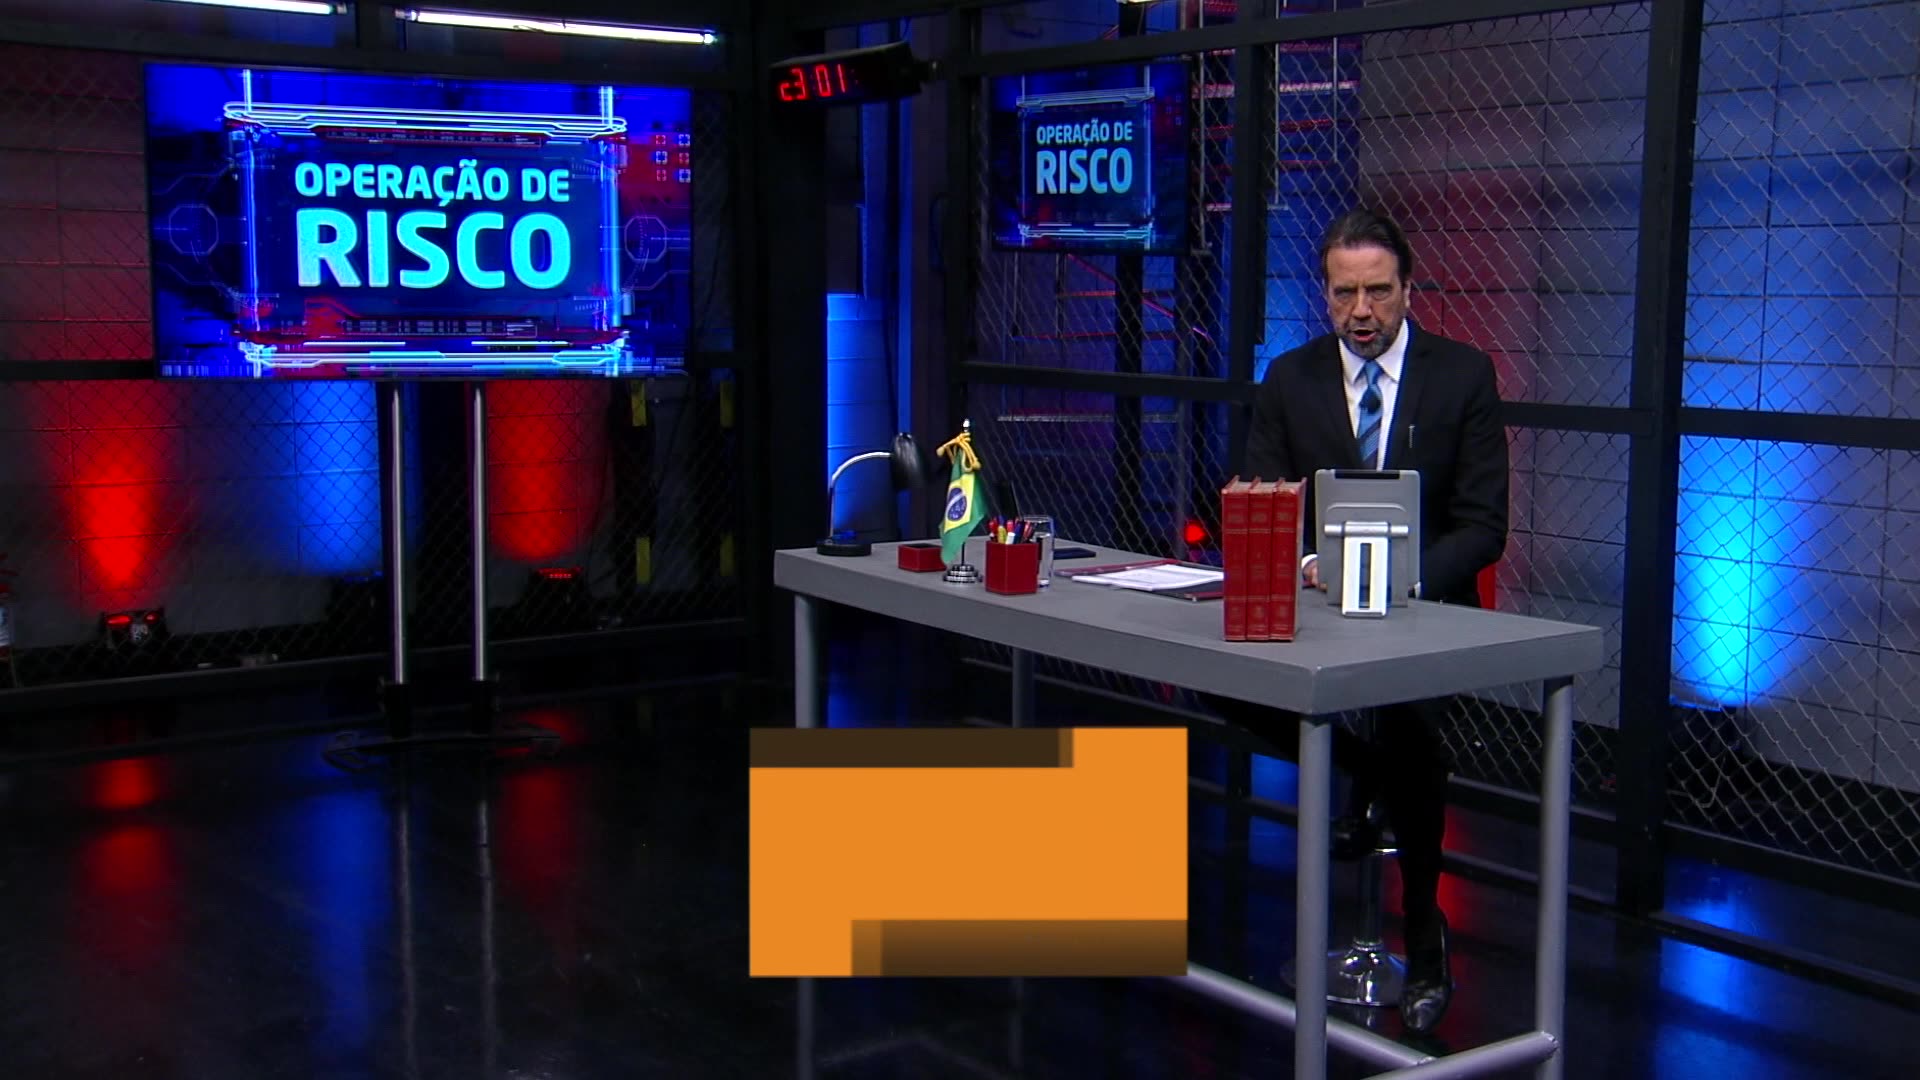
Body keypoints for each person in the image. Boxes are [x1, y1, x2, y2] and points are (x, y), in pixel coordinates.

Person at [1230, 208, 1509, 1033]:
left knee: (1413, 733)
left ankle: (1423, 934)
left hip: (1425, 611)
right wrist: (1309, 567)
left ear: (1409, 289)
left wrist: (1400, 580)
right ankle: (1370, 775)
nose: (1361, 311)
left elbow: (1484, 526)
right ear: (1324, 294)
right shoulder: (1290, 379)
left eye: (1378, 292)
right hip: (1319, 605)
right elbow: (1266, 498)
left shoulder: (1463, 375)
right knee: (1218, 679)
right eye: (1344, 293)